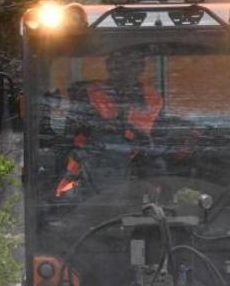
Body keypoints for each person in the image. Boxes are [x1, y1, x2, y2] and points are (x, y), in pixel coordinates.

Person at [54, 49, 164, 199]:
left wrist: (144, 157)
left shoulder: (153, 98)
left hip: (136, 169)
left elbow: (159, 140)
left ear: (142, 67)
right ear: (109, 65)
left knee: (158, 182)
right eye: (120, 64)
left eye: (133, 64)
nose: (126, 70)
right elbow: (73, 140)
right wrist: (72, 174)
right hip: (94, 164)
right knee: (66, 195)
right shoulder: (88, 94)